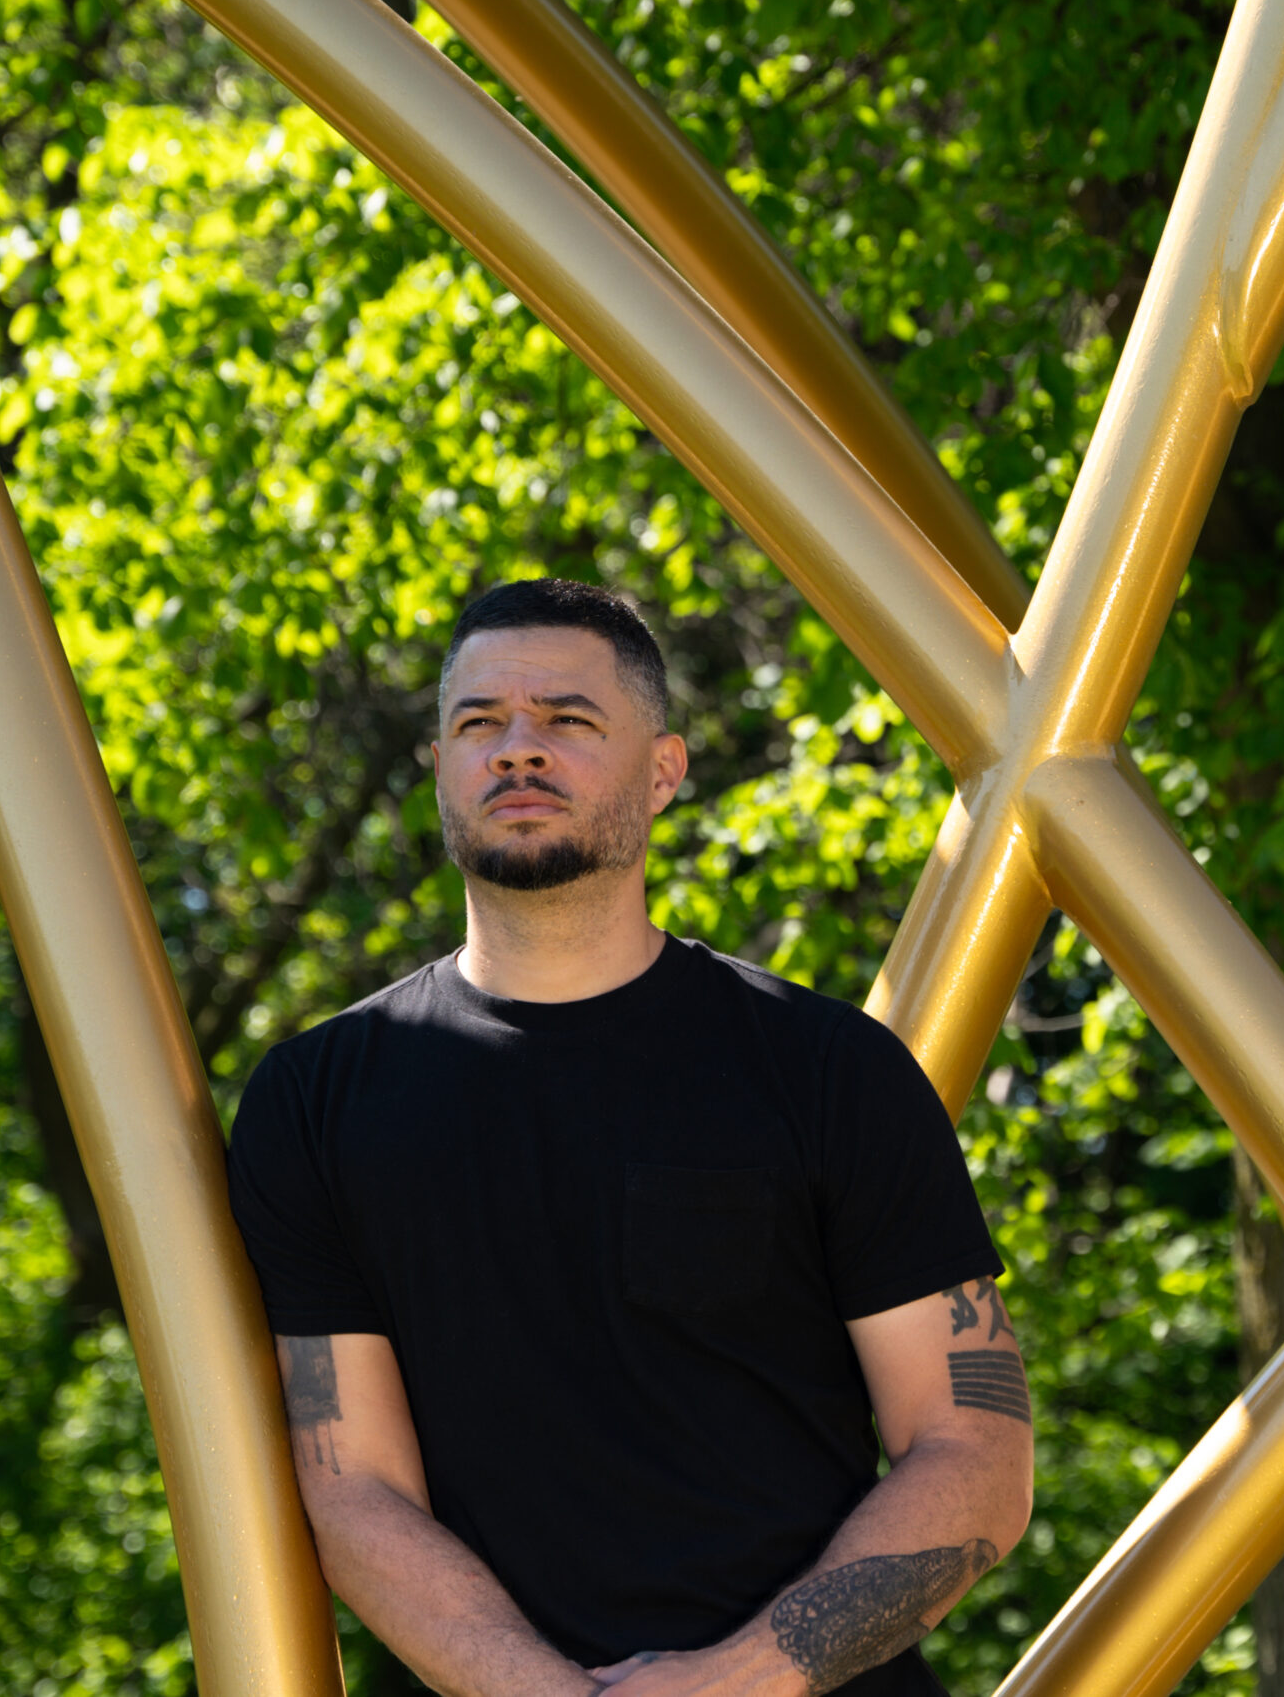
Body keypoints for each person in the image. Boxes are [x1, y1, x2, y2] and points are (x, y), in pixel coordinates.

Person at [226, 579, 1032, 1697]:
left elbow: (975, 1453)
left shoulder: (824, 1069)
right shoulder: (315, 1099)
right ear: (438, 767)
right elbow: (351, 1484)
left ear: (663, 770)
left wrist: (739, 1681)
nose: (517, 751)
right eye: (479, 724)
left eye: (566, 719)